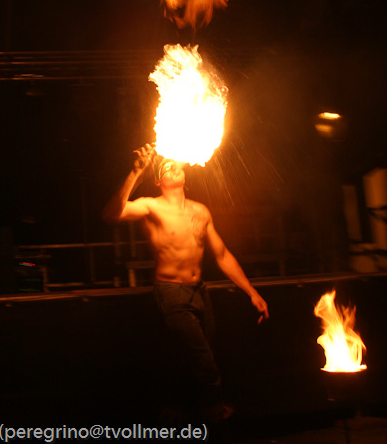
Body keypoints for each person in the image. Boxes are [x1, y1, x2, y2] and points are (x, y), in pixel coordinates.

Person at [102, 143, 269, 422]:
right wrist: (135, 173)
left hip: (199, 291)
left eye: (176, 163)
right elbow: (111, 214)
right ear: (158, 181)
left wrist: (251, 292)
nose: (173, 166)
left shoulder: (200, 211)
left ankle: (177, 411)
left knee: (194, 355)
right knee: (203, 359)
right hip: (171, 291)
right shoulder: (151, 206)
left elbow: (222, 254)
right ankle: (214, 415)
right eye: (166, 166)